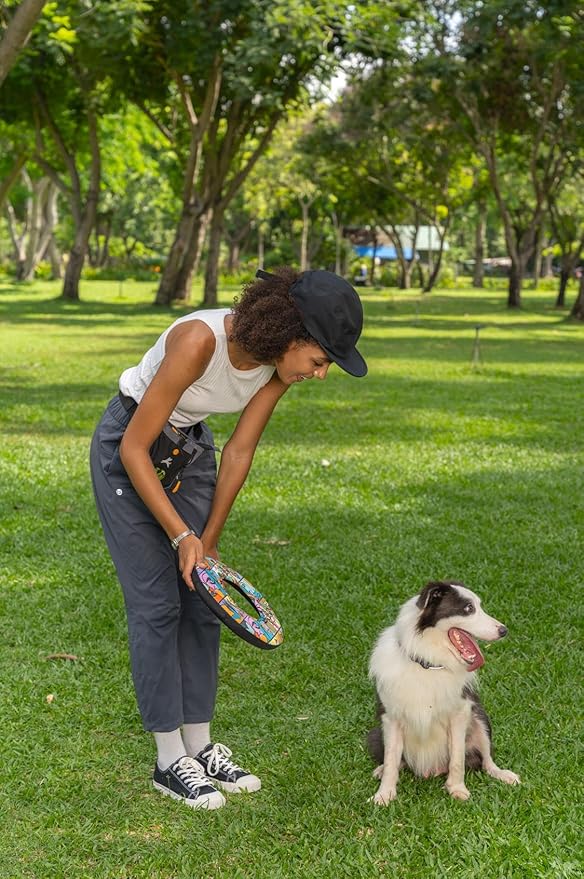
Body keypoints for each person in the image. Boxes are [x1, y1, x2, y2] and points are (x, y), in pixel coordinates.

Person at [90, 266, 367, 810]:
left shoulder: (275, 369)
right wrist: (179, 535)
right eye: (320, 360)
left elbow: (239, 450)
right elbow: (132, 448)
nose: (320, 374)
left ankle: (200, 745)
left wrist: (206, 542)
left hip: (190, 450)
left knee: (200, 598)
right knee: (156, 606)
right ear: (292, 335)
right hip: (130, 448)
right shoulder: (199, 341)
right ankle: (169, 761)